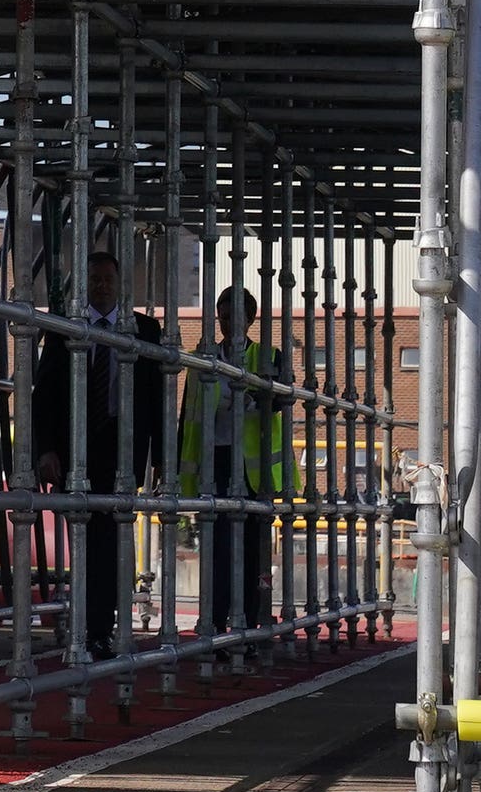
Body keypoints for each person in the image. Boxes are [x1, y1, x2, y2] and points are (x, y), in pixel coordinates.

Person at [33, 247, 166, 658]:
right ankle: (86, 623)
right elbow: (45, 393)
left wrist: (161, 458)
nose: (102, 286)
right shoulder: (64, 329)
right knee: (82, 536)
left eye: (108, 279)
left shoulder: (145, 331)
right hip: (75, 446)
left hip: (121, 449)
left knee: (110, 539)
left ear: (121, 284)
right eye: (94, 279)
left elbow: (156, 397)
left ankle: (99, 629)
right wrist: (44, 449)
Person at [175, 287, 292, 646]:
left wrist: (261, 392)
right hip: (217, 461)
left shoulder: (268, 356)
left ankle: (252, 621)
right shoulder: (202, 359)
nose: (229, 324)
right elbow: (188, 415)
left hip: (255, 471)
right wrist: (174, 465)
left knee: (252, 549)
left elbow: (282, 400)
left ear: (252, 319)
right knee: (217, 545)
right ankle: (216, 620)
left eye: (236, 317)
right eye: (224, 317)